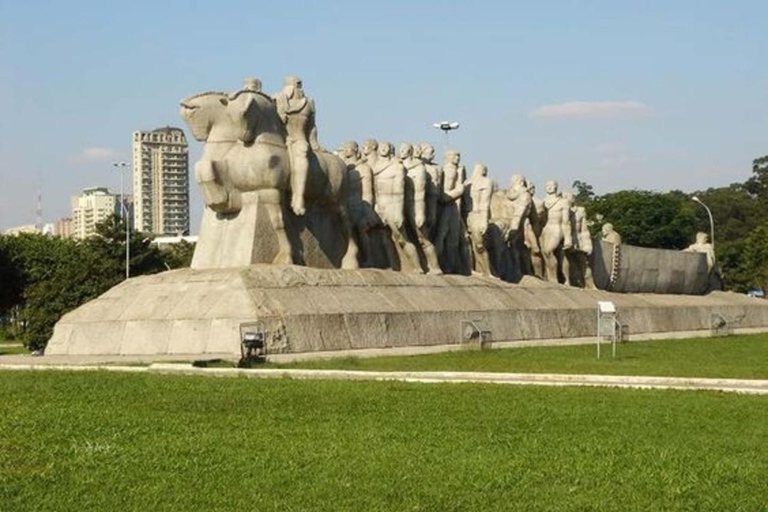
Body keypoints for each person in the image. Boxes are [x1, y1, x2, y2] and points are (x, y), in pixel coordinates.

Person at [275, 76, 320, 216]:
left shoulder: (309, 103)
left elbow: (312, 127)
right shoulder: (277, 99)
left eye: (299, 85)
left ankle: (298, 197)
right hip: (279, 139)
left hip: (298, 139)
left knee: (301, 153)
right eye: (297, 85)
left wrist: (314, 143)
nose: (299, 88)